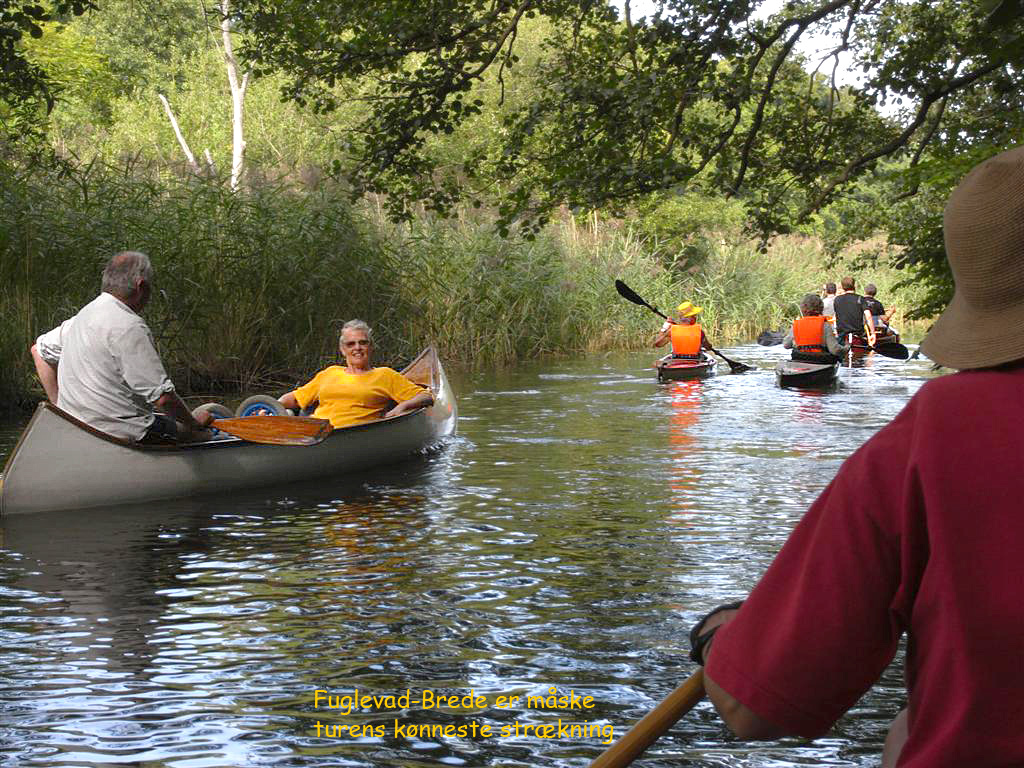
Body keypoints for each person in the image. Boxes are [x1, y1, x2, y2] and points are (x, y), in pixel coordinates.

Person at [689, 144, 1024, 767]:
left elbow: (754, 705)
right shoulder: (926, 406)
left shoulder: (945, 426)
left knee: (904, 736)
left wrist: (716, 638)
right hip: (833, 362)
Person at [44, 250, 214, 442]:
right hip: (121, 432)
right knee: (203, 436)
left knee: (163, 420)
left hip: (79, 427)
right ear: (141, 286)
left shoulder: (83, 316)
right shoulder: (128, 325)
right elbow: (163, 399)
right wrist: (194, 424)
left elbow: (39, 351)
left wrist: (60, 409)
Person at [278, 319, 434, 428]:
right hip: (312, 431)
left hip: (351, 434)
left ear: (370, 347)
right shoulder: (329, 373)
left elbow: (426, 396)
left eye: (363, 343)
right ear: (342, 350)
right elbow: (294, 399)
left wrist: (402, 406)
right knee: (285, 414)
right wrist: (270, 406)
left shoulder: (385, 375)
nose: (357, 348)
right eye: (351, 344)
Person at [782, 294, 848, 362]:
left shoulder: (796, 324)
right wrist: (846, 348)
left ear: (803, 309)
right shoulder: (825, 324)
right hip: (821, 360)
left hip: (799, 359)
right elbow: (835, 350)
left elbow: (786, 345)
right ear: (821, 308)